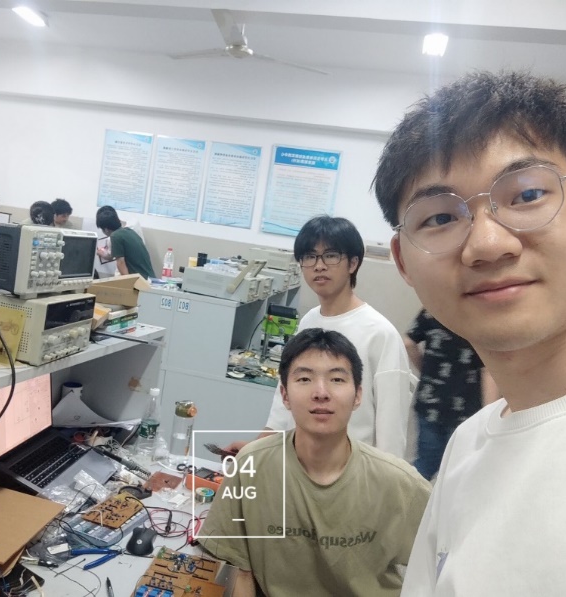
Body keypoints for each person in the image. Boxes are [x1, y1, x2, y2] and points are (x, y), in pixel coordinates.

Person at [373, 70, 566, 595]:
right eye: (439, 218)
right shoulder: (468, 444)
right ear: (403, 262)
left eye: (527, 194)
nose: (488, 244)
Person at [200, 328, 431, 597]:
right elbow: (240, 571)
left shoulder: (398, 483)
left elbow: (440, 566)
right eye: (305, 378)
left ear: (357, 395)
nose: (321, 392)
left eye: (336, 379)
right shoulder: (250, 467)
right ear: (285, 395)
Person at [226, 215, 413, 458]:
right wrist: (254, 451)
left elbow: (391, 436)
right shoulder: (308, 322)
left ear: (353, 263)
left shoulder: (380, 334)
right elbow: (283, 409)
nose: (319, 266)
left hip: (352, 471)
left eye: (331, 256)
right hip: (300, 466)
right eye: (310, 256)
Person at [403, 308, 498, 480]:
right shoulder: (480, 318)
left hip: (430, 402)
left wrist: (424, 369)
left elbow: (408, 342)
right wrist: (488, 414)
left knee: (425, 463)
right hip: (465, 410)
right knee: (461, 467)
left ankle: (408, 494)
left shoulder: (434, 309)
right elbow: (488, 370)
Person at [95, 205, 155, 279]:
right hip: (149, 279)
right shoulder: (129, 231)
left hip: (141, 281)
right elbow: (115, 255)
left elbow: (121, 263)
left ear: (106, 229)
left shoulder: (115, 236)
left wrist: (127, 283)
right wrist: (103, 254)